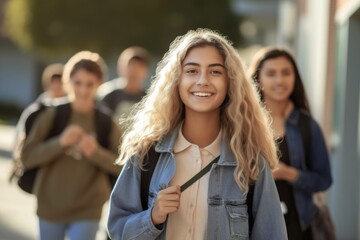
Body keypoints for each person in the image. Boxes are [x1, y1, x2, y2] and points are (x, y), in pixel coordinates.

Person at [107, 29, 287, 240]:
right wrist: (152, 217)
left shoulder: (251, 161)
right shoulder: (147, 153)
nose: (202, 80)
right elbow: (117, 228)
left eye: (215, 72)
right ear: (177, 80)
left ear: (230, 82)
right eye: (192, 71)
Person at [20, 51, 122, 240]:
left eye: (90, 84)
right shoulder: (50, 115)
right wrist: (59, 143)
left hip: (88, 208)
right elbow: (27, 157)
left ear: (99, 84)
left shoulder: (107, 123)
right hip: (49, 206)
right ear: (68, 82)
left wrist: (96, 153)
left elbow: (122, 166)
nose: (83, 90)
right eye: (77, 83)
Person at [248, 46, 333, 240]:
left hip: (297, 227)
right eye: (271, 73)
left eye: (286, 73)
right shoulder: (244, 124)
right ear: (258, 79)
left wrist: (289, 173)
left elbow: (324, 179)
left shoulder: (307, 125)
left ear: (295, 78)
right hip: (251, 223)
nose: (279, 80)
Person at [10, 63, 67, 183]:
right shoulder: (36, 109)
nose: (57, 90)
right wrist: (16, 159)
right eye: (54, 85)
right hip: (39, 161)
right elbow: (21, 133)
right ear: (47, 85)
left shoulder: (70, 110)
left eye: (60, 85)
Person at [97, 46, 150, 120]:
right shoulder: (107, 94)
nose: (134, 70)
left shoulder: (149, 99)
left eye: (139, 66)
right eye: (131, 64)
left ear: (146, 71)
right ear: (121, 67)